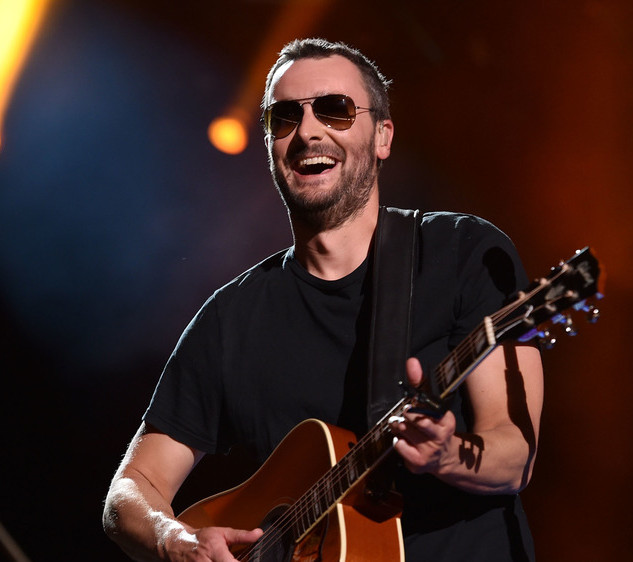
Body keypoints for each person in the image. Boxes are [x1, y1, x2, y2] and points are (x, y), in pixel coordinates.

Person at [102, 38, 544, 562]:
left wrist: (447, 456)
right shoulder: (230, 319)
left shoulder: (464, 255)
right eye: (284, 117)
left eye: (334, 110)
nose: (308, 131)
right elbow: (130, 489)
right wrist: (172, 538)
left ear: (382, 136)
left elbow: (515, 454)